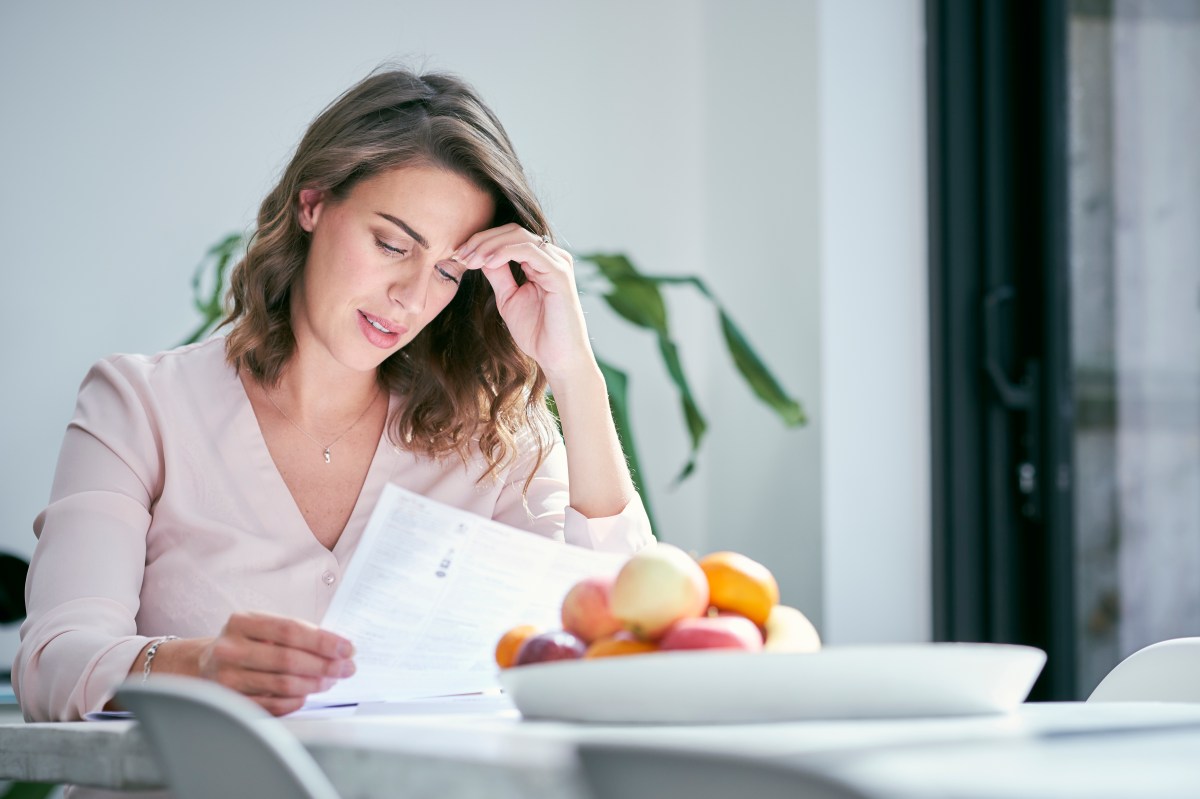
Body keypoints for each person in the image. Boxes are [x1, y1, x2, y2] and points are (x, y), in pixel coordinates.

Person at [15, 68, 654, 723]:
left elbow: (622, 631)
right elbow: (51, 662)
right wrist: (196, 665)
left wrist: (575, 372)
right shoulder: (139, 405)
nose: (411, 295)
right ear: (313, 203)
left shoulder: (493, 440)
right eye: (391, 244)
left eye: (446, 271)